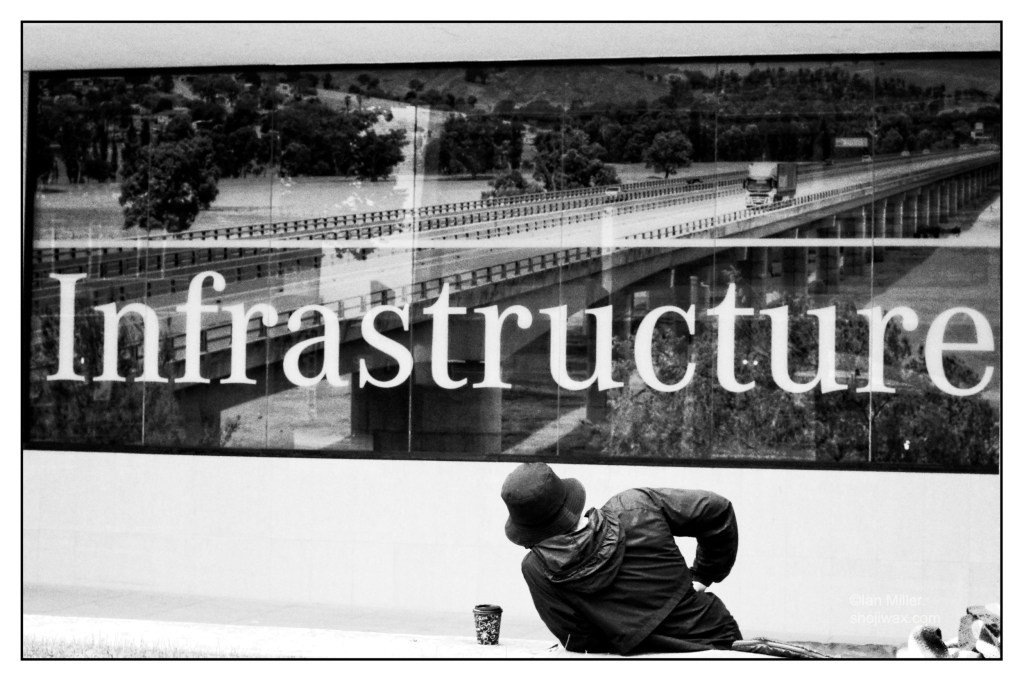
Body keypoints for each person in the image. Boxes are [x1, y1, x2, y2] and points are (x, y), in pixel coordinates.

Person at [500, 462, 742, 655]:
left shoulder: (537, 568)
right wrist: (704, 575)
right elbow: (717, 510)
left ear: (528, 527)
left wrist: (625, 633)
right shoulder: (634, 505)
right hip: (714, 639)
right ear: (567, 499)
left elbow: (578, 640)